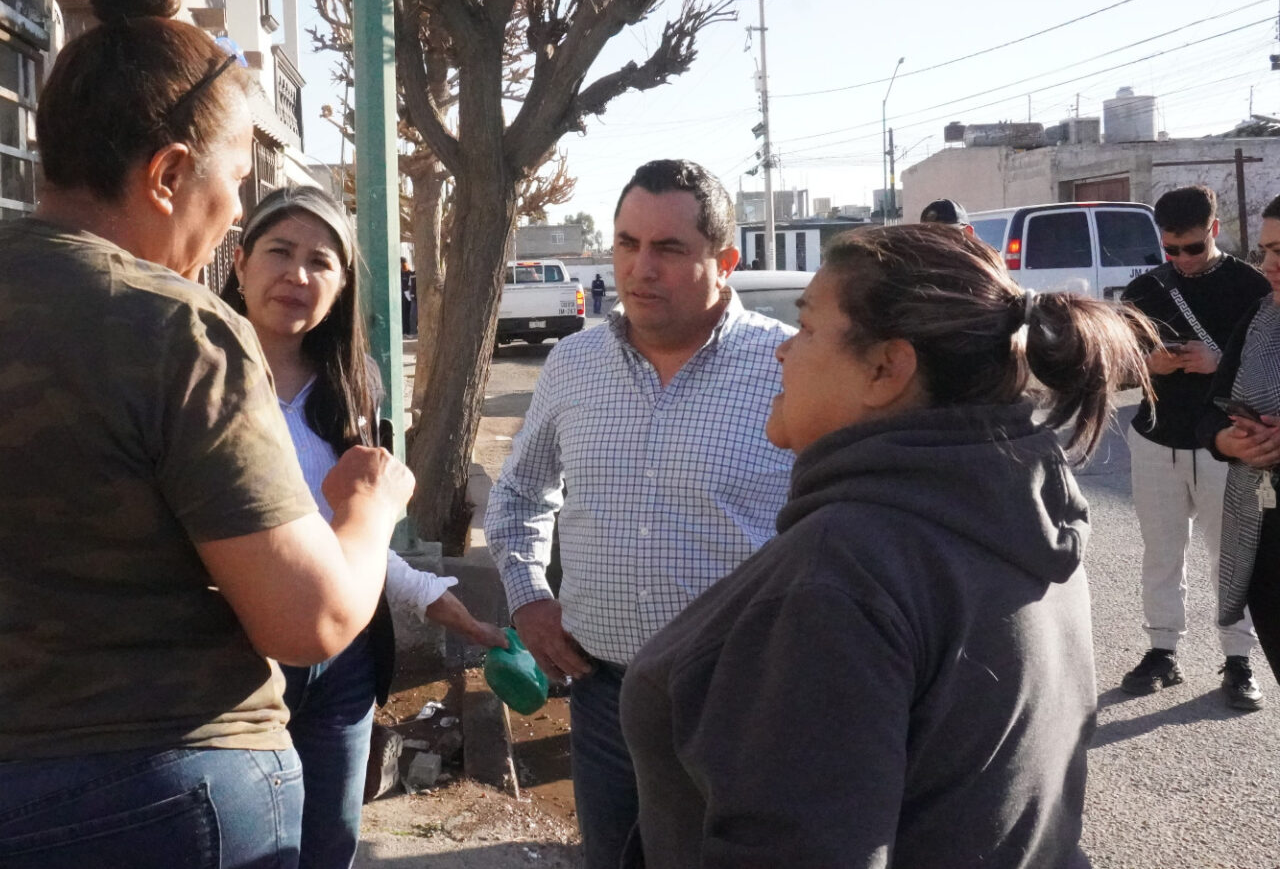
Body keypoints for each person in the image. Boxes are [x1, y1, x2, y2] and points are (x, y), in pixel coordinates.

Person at [0, 0, 412, 869]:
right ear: (168, 172)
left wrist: (18, 605)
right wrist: (369, 510)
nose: (233, 215)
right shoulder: (178, 327)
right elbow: (306, 621)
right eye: (233, 185)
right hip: (156, 797)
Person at [621, 223, 1156, 869]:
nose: (782, 351)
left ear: (884, 368)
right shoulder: (1017, 511)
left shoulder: (840, 572)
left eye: (808, 327)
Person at [485, 159, 795, 869]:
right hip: (605, 702)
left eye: (669, 249)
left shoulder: (785, 367)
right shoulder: (573, 363)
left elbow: (832, 530)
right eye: (627, 243)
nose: (640, 267)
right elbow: (521, 492)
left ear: (724, 261)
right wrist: (529, 595)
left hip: (742, 705)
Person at [221, 186, 505, 868]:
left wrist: (426, 592)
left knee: (327, 843)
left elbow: (351, 527)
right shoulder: (199, 376)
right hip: (234, 658)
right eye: (279, 253)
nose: (298, 275)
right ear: (239, 261)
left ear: (342, 282)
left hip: (343, 664)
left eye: (321, 261)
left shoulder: (356, 383)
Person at [1118, 186, 1268, 708]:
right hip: (1156, 437)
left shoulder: (1252, 285)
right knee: (1161, 553)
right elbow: (1115, 365)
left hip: (1226, 443)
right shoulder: (1144, 289)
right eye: (1170, 250)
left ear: (1214, 229)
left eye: (1191, 248)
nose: (1180, 260)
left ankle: (1239, 660)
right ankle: (1162, 651)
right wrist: (1148, 364)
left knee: (1231, 555)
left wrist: (1218, 358)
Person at [1199, 193, 1280, 684]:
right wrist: (1228, 442)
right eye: (1267, 251)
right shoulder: (1258, 319)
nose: (1269, 265)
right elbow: (1209, 414)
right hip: (1265, 543)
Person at [399, 257, 417, 336]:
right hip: (402, 297)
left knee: (410, 314)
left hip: (409, 297)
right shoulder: (399, 273)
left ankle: (410, 330)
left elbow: (410, 285)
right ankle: (404, 331)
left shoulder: (410, 273)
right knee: (404, 314)